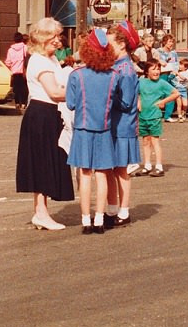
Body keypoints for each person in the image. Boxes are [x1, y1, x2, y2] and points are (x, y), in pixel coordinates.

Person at [64, 27, 136, 234]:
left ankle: (86, 220)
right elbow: (117, 100)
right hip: (104, 129)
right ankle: (100, 219)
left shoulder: (77, 75)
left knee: (85, 174)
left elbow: (70, 103)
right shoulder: (113, 76)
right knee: (103, 175)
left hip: (83, 129)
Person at [15, 17, 74, 231]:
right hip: (41, 114)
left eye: (58, 36)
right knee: (41, 163)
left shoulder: (50, 59)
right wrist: (83, 92)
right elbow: (55, 92)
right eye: (54, 36)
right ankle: (40, 213)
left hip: (49, 114)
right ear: (42, 38)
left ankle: (41, 212)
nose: (58, 41)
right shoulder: (39, 61)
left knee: (46, 161)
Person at [107, 22, 141, 226]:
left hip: (122, 127)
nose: (106, 47)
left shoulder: (126, 70)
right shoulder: (117, 66)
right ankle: (112, 209)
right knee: (110, 168)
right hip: (113, 125)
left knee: (121, 170)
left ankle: (124, 211)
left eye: (110, 43)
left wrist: (106, 97)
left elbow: (127, 102)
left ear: (121, 44)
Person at [137, 58, 177, 176]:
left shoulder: (162, 83)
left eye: (158, 69)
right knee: (145, 141)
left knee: (155, 141)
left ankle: (159, 166)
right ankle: (147, 165)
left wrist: (163, 101)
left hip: (154, 116)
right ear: (146, 71)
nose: (157, 72)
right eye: (153, 69)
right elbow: (137, 93)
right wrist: (138, 101)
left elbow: (176, 93)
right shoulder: (141, 82)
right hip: (143, 115)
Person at [4, 30, 29, 113]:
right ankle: (24, 104)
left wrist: (12, 66)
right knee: (24, 88)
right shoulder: (25, 48)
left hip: (14, 72)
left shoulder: (10, 50)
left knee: (16, 89)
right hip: (23, 72)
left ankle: (17, 103)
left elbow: (7, 62)